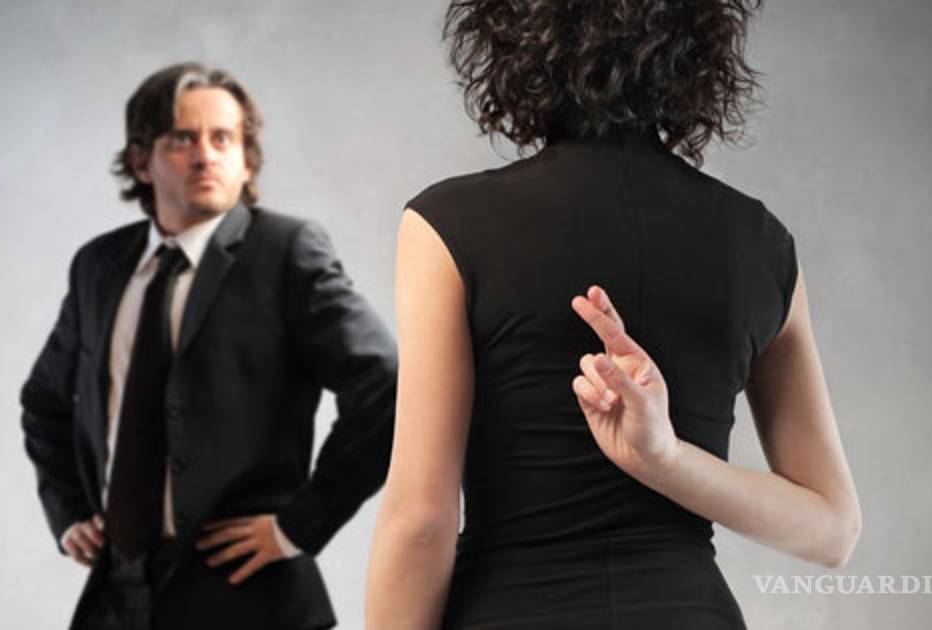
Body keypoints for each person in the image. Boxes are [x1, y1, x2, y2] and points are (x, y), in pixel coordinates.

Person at [365, 1, 862, 628]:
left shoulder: (446, 227)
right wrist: (669, 462)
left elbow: (421, 521)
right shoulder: (760, 243)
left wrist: (662, 457)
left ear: (515, 37)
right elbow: (833, 530)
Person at [20, 62, 397, 630]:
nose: (205, 156)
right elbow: (44, 400)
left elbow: (386, 382)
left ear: (247, 159)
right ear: (140, 161)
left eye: (223, 139)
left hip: (249, 596)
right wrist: (68, 509)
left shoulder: (286, 251)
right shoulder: (99, 266)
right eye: (182, 139)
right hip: (118, 592)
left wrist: (301, 524)